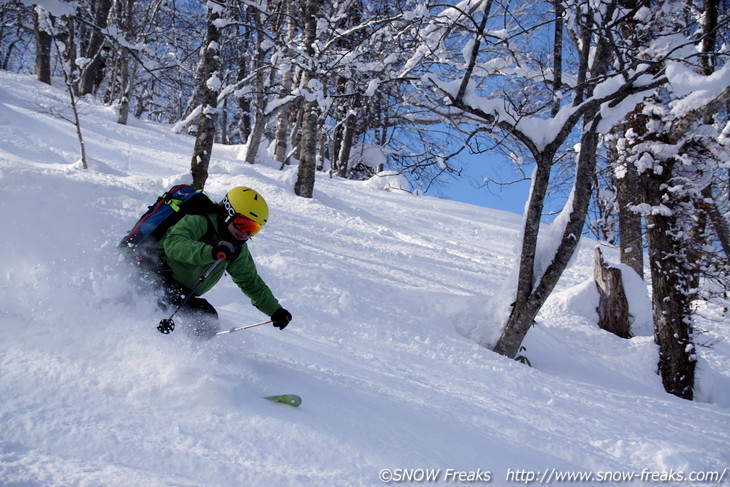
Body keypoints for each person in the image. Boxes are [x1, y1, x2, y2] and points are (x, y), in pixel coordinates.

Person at [138, 186, 291, 338]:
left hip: (181, 294)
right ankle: (137, 338)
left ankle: (180, 355)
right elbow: (174, 244)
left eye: (253, 228)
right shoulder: (200, 221)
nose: (244, 233)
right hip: (152, 276)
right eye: (242, 223)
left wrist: (275, 311)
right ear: (229, 212)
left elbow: (250, 282)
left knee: (207, 322)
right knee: (153, 308)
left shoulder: (237, 248)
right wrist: (211, 251)